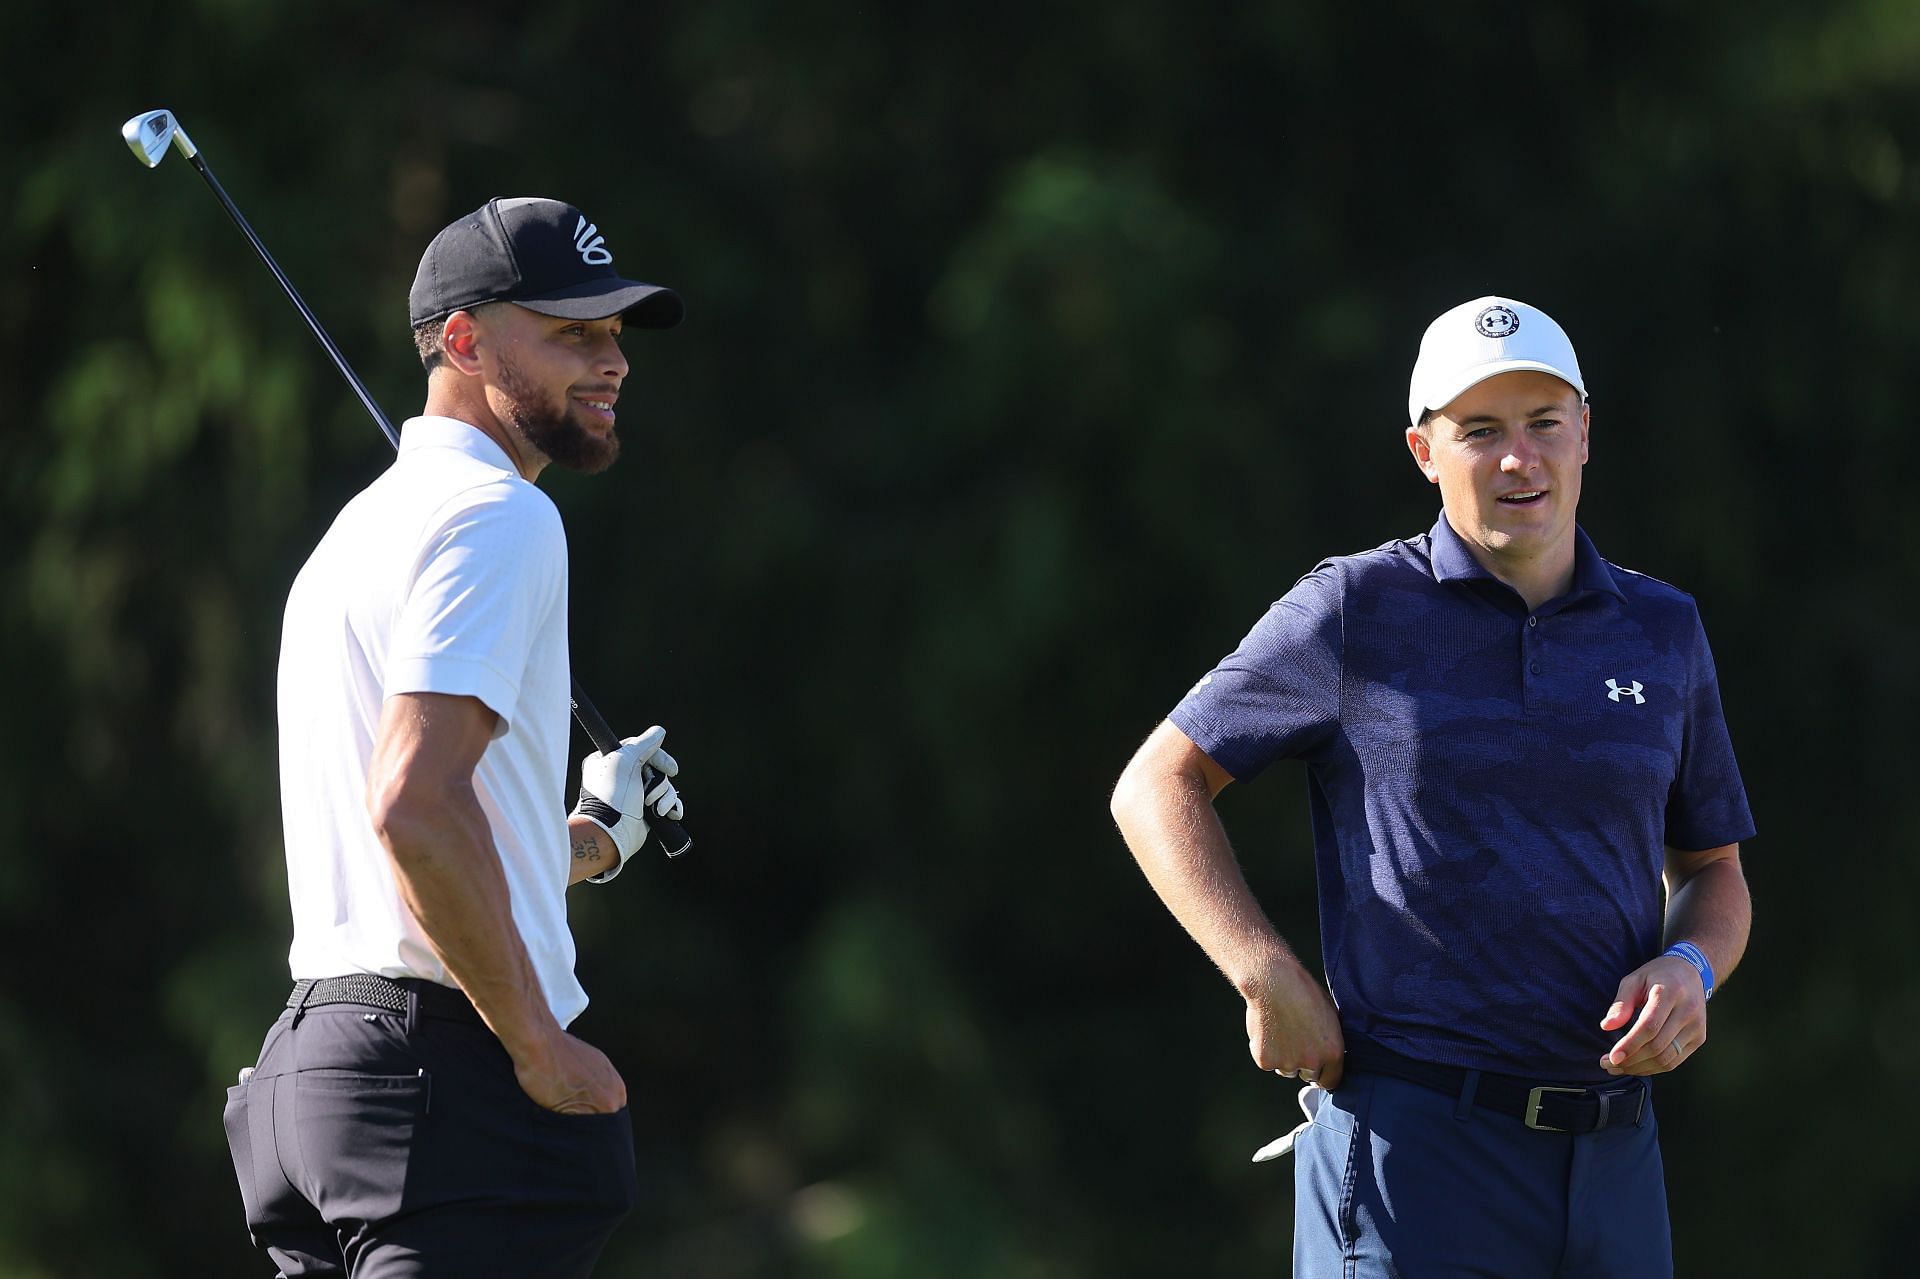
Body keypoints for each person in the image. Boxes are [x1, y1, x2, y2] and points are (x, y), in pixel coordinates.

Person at [1110, 296, 1754, 1278]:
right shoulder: (1357, 607)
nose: (1517, 458)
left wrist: (1692, 968)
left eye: (1543, 424)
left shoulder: (1661, 629)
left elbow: (1712, 868)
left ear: (1585, 431)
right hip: (1417, 1151)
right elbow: (1157, 780)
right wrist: (1263, 969)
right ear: (1424, 449)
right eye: (1480, 431)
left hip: (1617, 1157)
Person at [221, 197, 690, 1277]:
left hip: (316, 1075)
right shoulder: (504, 516)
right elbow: (413, 807)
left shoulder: (355, 532)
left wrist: (585, 835)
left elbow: (425, 843)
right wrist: (541, 1046)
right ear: (466, 341)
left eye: (615, 333)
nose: (611, 360)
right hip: (446, 1086)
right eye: (572, 333)